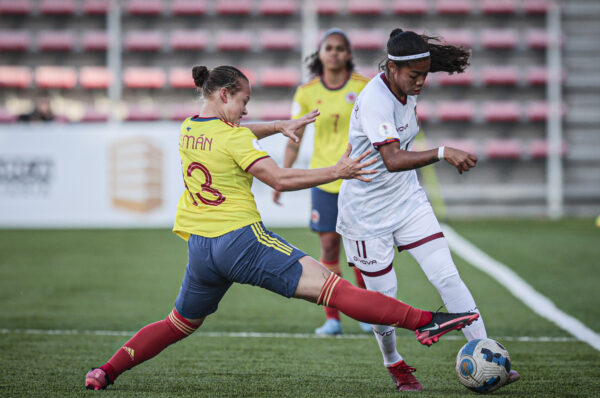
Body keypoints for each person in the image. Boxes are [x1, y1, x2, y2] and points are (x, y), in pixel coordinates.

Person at [84, 65, 479, 390]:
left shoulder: (189, 129)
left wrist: (274, 125)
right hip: (241, 242)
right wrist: (338, 171)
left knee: (177, 323)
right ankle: (426, 322)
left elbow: (232, 132)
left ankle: (107, 370)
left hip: (201, 251)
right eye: (243, 102)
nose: (244, 110)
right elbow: (280, 179)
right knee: (335, 290)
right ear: (224, 95)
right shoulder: (235, 140)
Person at [336, 29, 521, 392]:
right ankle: (395, 363)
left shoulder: (403, 88)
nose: (421, 82)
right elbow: (390, 159)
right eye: (414, 75)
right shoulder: (376, 98)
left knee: (447, 276)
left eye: (425, 75)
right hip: (366, 214)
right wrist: (442, 152)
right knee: (384, 301)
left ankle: (486, 352)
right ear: (391, 68)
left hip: (406, 202)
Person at [273, 28, 371, 335]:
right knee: (329, 251)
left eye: (340, 48)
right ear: (320, 53)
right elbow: (294, 137)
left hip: (358, 179)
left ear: (349, 54)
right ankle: (332, 318)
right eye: (329, 47)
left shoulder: (365, 87)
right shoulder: (306, 91)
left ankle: (366, 314)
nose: (334, 53)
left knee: (361, 252)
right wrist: (281, 177)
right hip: (324, 179)